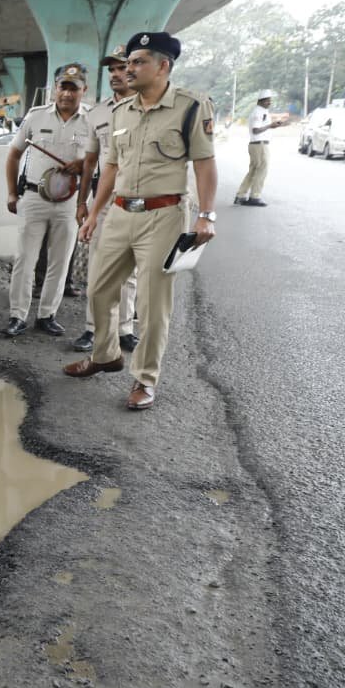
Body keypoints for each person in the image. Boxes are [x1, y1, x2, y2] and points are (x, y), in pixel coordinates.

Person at [65, 31, 217, 411]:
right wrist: (95, 212)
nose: (128, 69)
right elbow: (110, 167)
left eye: (138, 62)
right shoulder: (120, 112)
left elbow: (204, 163)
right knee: (99, 290)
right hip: (119, 212)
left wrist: (206, 216)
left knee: (152, 305)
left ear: (163, 66)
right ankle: (105, 355)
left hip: (163, 215)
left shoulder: (190, 107)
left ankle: (145, 379)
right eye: (128, 63)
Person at [0, 63, 90, 338]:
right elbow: (14, 154)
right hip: (33, 198)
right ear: (54, 89)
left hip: (68, 204)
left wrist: (83, 165)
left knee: (60, 262)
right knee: (25, 260)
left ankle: (47, 315)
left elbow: (102, 163)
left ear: (83, 91)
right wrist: (12, 193)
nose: (67, 93)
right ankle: (18, 316)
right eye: (63, 86)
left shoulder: (94, 122)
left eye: (74, 88)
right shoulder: (36, 117)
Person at [73, 45, 139, 354]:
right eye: (110, 69)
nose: (115, 74)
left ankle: (125, 328)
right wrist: (82, 203)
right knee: (99, 265)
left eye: (120, 67)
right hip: (103, 196)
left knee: (130, 268)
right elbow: (90, 161)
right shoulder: (97, 113)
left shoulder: (147, 108)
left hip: (137, 195)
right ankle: (92, 328)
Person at [234, 89, 281, 206]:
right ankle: (255, 196)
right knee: (261, 171)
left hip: (257, 145)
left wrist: (272, 125)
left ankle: (240, 195)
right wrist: (270, 125)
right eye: (268, 100)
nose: (270, 102)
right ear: (262, 101)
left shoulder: (261, 111)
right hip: (259, 145)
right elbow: (256, 130)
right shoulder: (259, 112)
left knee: (253, 171)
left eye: (270, 100)